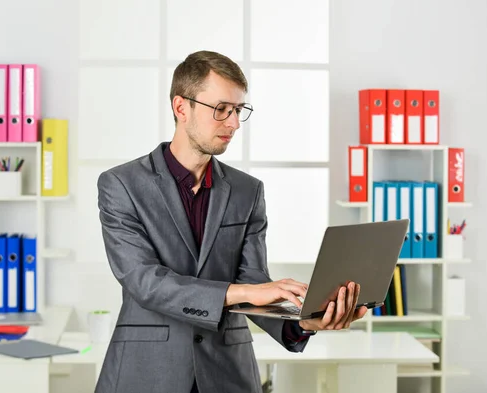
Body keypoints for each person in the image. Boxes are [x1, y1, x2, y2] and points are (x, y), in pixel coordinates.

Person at [94, 50, 368, 393]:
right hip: (146, 374)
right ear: (181, 107)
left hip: (227, 375)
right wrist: (249, 291)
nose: (234, 123)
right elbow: (144, 280)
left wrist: (301, 321)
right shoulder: (121, 185)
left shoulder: (247, 191)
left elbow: (251, 278)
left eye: (239, 110)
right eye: (221, 109)